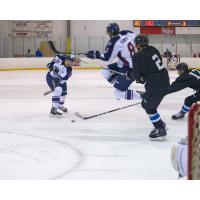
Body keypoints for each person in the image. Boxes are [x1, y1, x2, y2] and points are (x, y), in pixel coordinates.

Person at [126, 34, 170, 140]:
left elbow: (136, 74)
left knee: (148, 107)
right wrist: (142, 77)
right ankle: (161, 124)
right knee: (148, 105)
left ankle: (160, 129)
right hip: (164, 81)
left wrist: (129, 75)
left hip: (155, 86)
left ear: (137, 45)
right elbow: (151, 67)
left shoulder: (138, 56)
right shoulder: (153, 49)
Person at [86, 22, 140, 100]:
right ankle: (119, 84)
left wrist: (96, 54)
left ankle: (143, 96)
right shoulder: (127, 33)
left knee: (118, 93)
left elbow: (107, 58)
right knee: (104, 70)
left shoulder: (114, 42)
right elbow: (137, 38)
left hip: (129, 68)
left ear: (110, 32)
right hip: (124, 64)